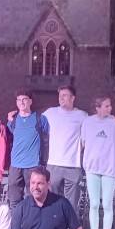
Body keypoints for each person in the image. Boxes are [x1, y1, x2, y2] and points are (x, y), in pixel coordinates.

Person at [80, 95, 115, 229]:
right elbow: (83, 142)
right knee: (93, 204)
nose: (110, 108)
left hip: (110, 168)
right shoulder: (88, 122)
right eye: (106, 106)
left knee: (107, 204)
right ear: (97, 108)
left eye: (110, 105)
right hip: (92, 168)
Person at [43, 86, 88, 214]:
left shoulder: (82, 116)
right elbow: (36, 125)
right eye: (60, 95)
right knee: (50, 202)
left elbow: (90, 132)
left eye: (64, 95)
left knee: (71, 205)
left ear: (72, 98)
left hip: (73, 165)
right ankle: (52, 225)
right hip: (53, 165)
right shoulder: (50, 113)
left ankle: (69, 226)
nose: (61, 98)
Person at [6, 89, 50, 209]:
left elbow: (48, 137)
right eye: (19, 100)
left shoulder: (40, 119)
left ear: (30, 101)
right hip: (15, 166)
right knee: (14, 201)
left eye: (24, 99)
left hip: (33, 165)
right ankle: (16, 221)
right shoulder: (13, 120)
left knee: (34, 200)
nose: (22, 102)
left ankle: (32, 220)